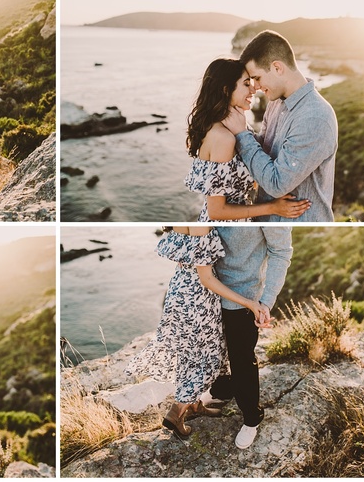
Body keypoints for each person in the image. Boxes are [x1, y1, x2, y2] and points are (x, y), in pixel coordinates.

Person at [125, 226, 272, 439]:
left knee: (191, 351)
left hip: (179, 290)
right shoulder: (200, 225)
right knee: (207, 357)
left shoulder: (177, 221)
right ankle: (176, 412)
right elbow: (207, 279)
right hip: (199, 298)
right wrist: (248, 303)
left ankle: (194, 404)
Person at [222, 30, 338, 222]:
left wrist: (242, 133)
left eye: (257, 78)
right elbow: (264, 150)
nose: (255, 87)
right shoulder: (277, 101)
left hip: (299, 230)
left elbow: (277, 184)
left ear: (277, 67)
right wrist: (240, 125)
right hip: (270, 227)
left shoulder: (315, 117)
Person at [185, 58, 311, 222]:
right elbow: (216, 210)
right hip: (224, 233)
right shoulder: (223, 138)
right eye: (246, 84)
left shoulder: (228, 128)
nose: (253, 89)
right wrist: (274, 207)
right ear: (226, 90)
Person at [200, 227, 293, 449]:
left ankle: (252, 418)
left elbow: (281, 252)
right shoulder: (215, 199)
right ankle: (223, 390)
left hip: (244, 298)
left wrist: (266, 303)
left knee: (241, 360)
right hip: (206, 294)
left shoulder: (265, 206)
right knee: (214, 350)